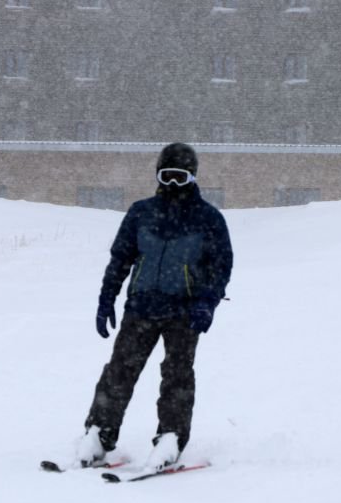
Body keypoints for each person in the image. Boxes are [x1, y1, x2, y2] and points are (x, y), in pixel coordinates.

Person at [77, 143, 233, 471]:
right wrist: (107, 299)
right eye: (167, 176)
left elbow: (221, 267)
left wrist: (207, 303)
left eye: (180, 177)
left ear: (192, 178)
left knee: (177, 375)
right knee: (119, 371)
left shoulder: (208, 218)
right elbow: (120, 259)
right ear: (158, 176)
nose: (173, 184)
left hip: (184, 312)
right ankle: (99, 433)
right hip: (141, 307)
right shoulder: (141, 212)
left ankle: (171, 437)